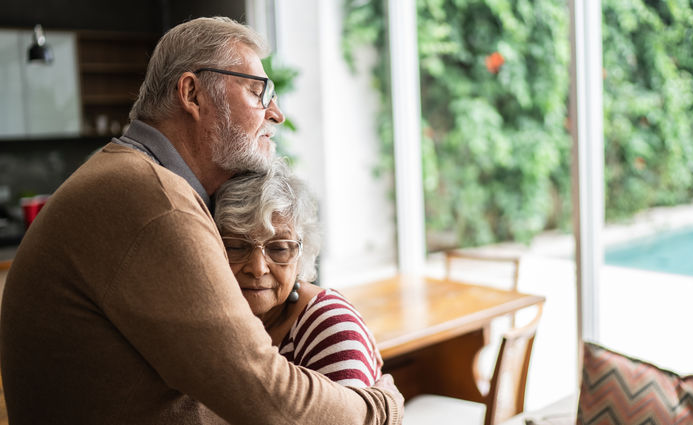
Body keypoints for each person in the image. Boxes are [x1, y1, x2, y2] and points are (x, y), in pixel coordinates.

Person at [0, 16, 402, 424]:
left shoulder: (131, 179)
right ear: (192, 93)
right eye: (257, 91)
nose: (276, 113)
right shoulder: (153, 200)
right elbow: (269, 400)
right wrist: (380, 406)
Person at [214, 159, 383, 388]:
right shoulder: (214, 319)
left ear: (301, 253)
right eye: (236, 246)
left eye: (279, 248)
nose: (258, 268)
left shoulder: (330, 325)